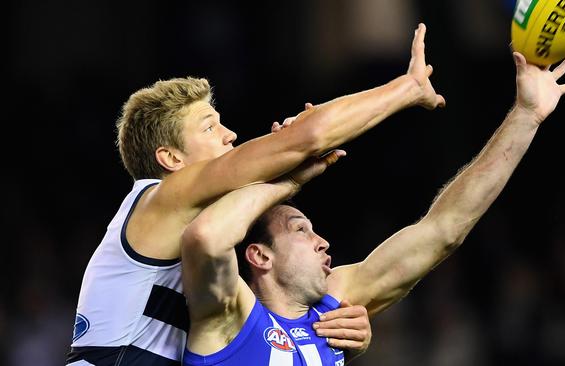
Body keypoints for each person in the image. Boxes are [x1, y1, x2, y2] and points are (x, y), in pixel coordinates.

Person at [66, 22, 445, 365]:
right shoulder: (163, 196)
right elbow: (310, 137)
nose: (230, 135)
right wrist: (406, 89)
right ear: (170, 158)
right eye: (210, 127)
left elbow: (272, 322)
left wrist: (349, 330)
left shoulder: (211, 239)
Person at [179, 49, 565, 365]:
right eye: (300, 229)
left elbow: (443, 229)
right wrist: (287, 177)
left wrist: (526, 116)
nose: (322, 242)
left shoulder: (331, 311)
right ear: (259, 255)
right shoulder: (228, 314)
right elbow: (206, 235)